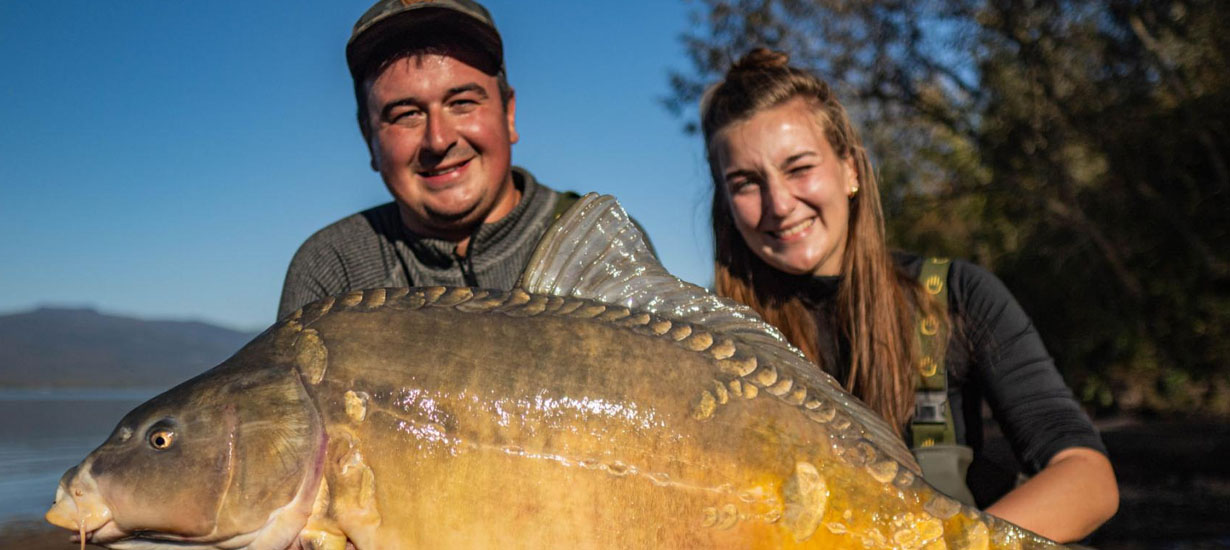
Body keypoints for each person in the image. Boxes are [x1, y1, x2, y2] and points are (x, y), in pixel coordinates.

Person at [699, 48, 1118, 543]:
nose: (780, 204)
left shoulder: (956, 296)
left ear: (851, 169)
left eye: (799, 167)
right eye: (746, 183)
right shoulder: (714, 343)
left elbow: (1087, 477)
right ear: (726, 204)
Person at [279, 0, 642, 319]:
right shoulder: (332, 267)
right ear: (368, 138)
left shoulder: (600, 246)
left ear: (509, 113)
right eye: (406, 114)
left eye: (462, 103)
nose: (438, 139)